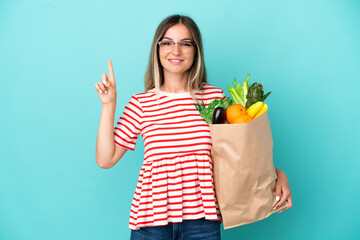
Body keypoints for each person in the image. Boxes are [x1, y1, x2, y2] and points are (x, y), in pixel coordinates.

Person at [94, 14, 292, 240]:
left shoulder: (214, 98)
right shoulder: (141, 103)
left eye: (185, 44)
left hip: (203, 224)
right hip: (151, 223)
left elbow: (240, 156)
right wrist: (109, 104)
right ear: (157, 50)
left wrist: (278, 174)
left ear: (196, 51)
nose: (175, 51)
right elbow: (105, 159)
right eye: (167, 43)